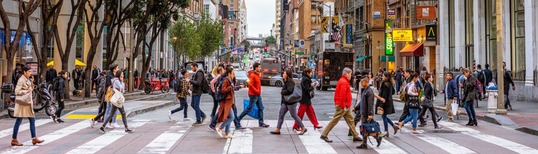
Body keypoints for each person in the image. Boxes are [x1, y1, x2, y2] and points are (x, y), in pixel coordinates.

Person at [320, 68, 363, 143]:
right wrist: (344, 106)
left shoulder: (343, 81)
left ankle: (355, 135)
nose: (351, 75)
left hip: (344, 106)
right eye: (350, 74)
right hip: (343, 106)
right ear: (346, 74)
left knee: (350, 120)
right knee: (335, 120)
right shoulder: (344, 82)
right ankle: (324, 134)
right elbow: (342, 95)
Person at [11, 65, 44, 146]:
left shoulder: (27, 79)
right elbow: (17, 91)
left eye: (30, 71)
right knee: (18, 121)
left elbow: (31, 89)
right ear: (24, 72)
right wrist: (26, 91)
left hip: (27, 104)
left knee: (32, 120)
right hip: (22, 104)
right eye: (29, 71)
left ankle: (34, 138)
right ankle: (14, 139)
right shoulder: (21, 80)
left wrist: (32, 82)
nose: (30, 73)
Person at [271, 70, 307, 135]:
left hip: (291, 102)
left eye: (284, 73)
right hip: (285, 102)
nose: (283, 74)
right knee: (281, 114)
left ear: (287, 74)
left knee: (294, 116)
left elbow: (289, 91)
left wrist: (282, 92)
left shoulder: (290, 82)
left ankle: (303, 127)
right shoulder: (286, 81)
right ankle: (278, 129)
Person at [238, 62, 270, 128]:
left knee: (261, 108)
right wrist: (257, 91)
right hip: (254, 95)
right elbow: (250, 85)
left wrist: (258, 91)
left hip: (257, 95)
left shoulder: (257, 75)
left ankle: (261, 122)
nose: (260, 68)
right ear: (256, 68)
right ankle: (238, 119)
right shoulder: (253, 75)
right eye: (259, 67)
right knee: (249, 108)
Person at [356, 78, 383, 149]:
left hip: (366, 113)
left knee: (368, 128)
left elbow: (370, 104)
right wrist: (356, 108)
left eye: (362, 82)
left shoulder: (369, 92)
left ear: (366, 82)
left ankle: (377, 138)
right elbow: (362, 101)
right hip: (363, 112)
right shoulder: (365, 90)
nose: (361, 84)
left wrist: (370, 114)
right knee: (364, 128)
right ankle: (364, 143)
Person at [376, 72, 399, 137]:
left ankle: (386, 131)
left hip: (384, 102)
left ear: (386, 77)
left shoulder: (385, 84)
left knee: (383, 116)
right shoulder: (389, 83)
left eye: (383, 76)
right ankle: (394, 126)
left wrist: (380, 105)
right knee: (384, 116)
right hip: (388, 102)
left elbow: (384, 95)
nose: (382, 77)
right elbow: (393, 92)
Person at [216, 67, 237, 138]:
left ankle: (227, 133)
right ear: (229, 73)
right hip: (226, 101)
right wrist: (230, 87)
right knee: (232, 117)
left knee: (230, 117)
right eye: (232, 73)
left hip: (229, 101)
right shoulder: (226, 80)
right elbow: (223, 90)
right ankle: (220, 128)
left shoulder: (229, 80)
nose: (233, 74)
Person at [103, 64, 120, 129]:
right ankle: (109, 122)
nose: (118, 69)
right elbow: (109, 86)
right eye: (117, 68)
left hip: (111, 94)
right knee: (109, 109)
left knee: (110, 109)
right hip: (111, 94)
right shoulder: (110, 76)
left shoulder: (111, 75)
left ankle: (110, 122)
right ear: (114, 69)